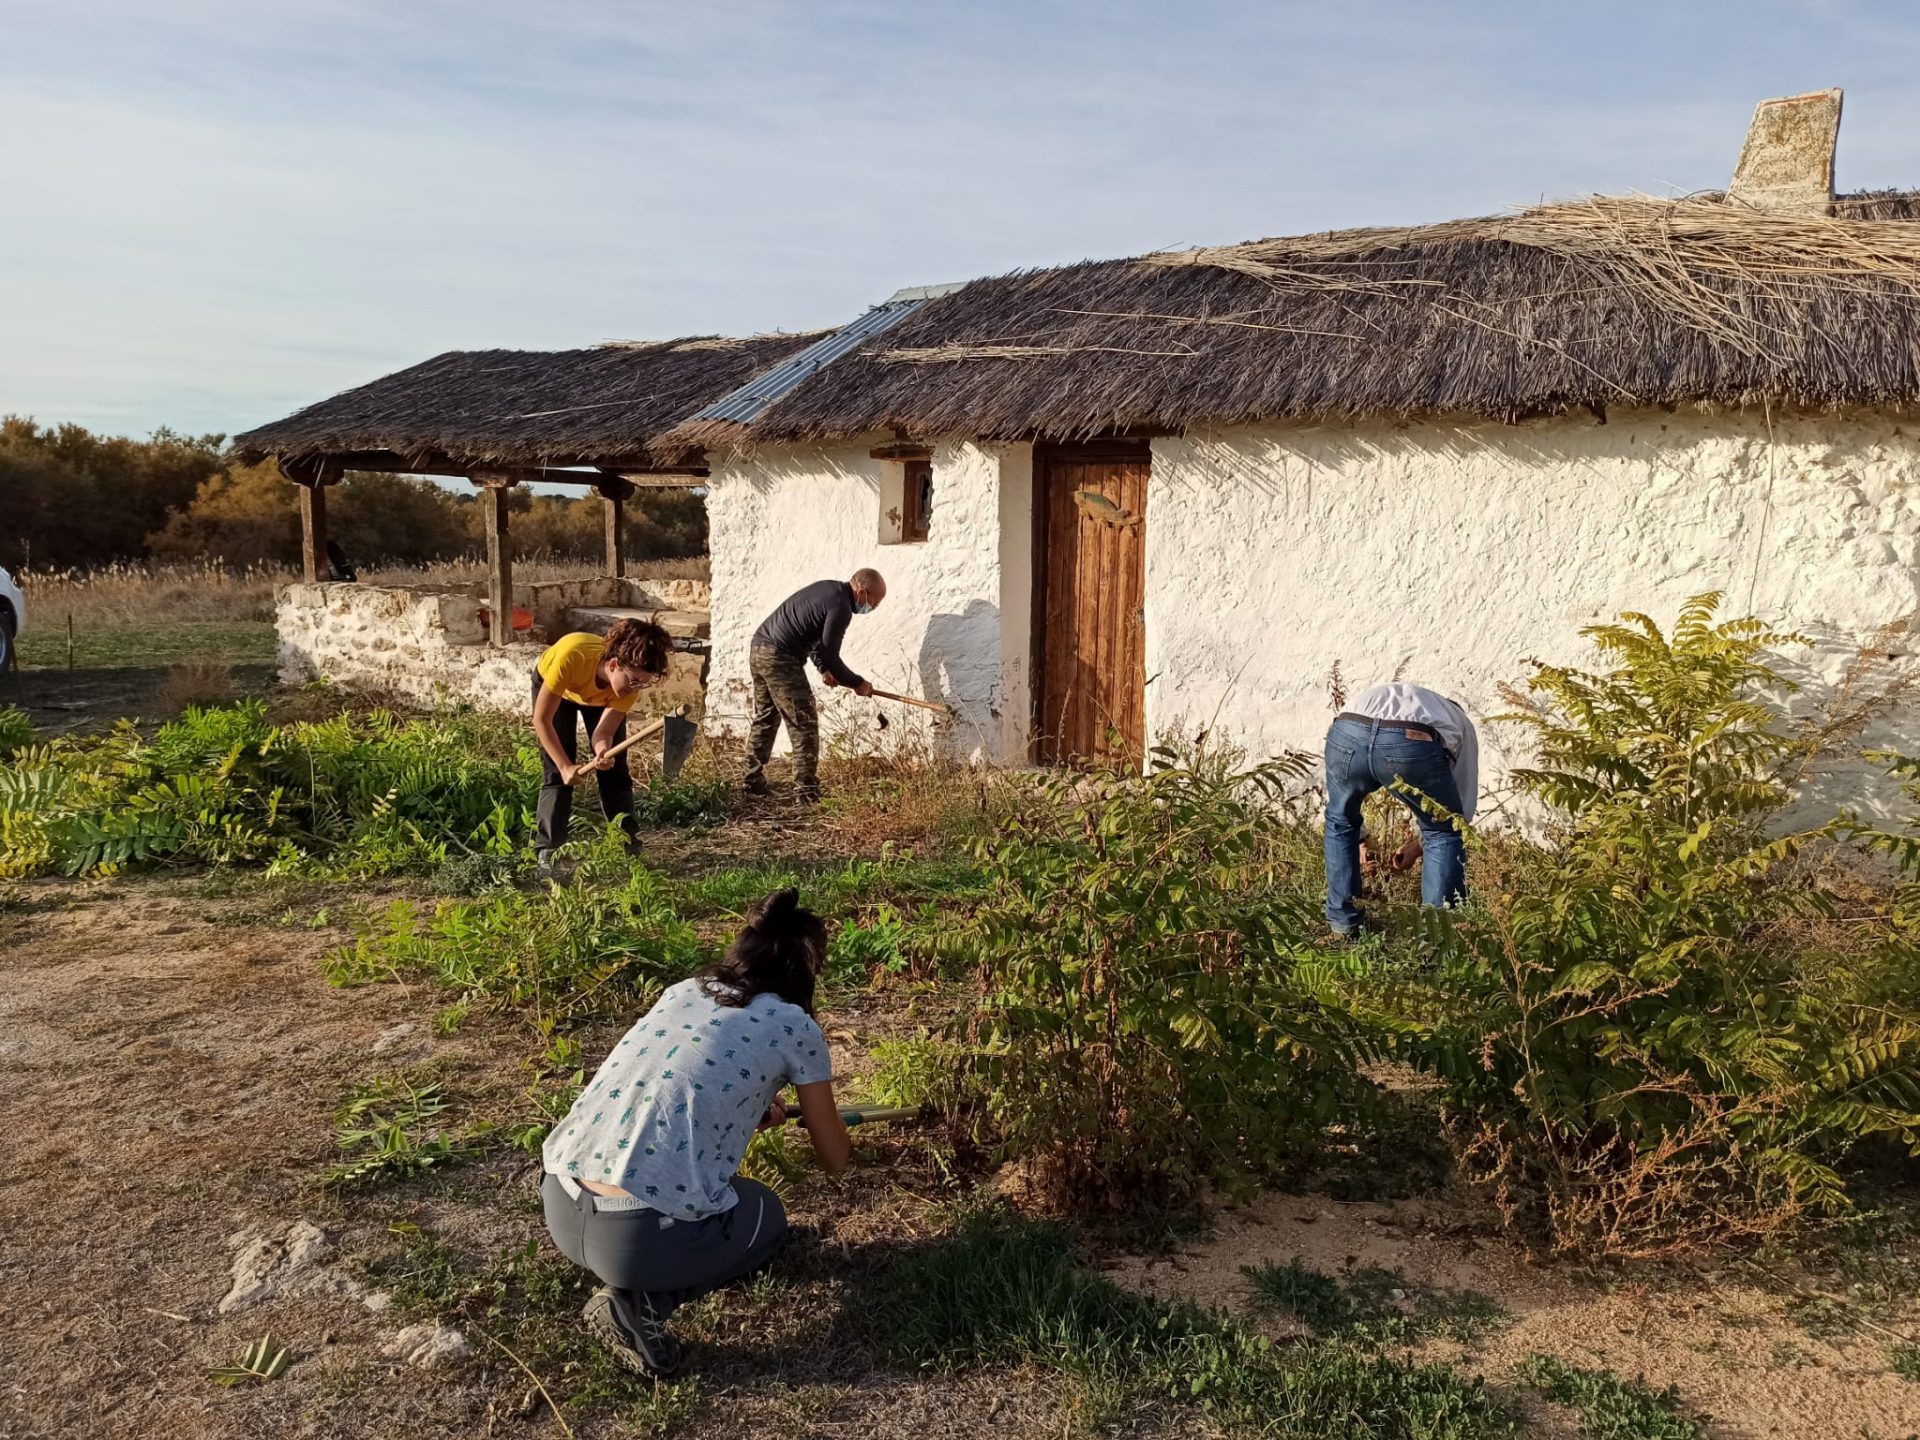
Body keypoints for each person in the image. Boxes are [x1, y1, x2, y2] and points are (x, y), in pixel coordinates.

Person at [540, 887, 852, 1377]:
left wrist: (745, 1112)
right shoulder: (795, 1026)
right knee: (765, 1215)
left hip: (560, 1200)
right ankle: (640, 1304)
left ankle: (635, 1278)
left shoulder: (685, 991)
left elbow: (675, 1087)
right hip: (635, 1238)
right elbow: (833, 1156)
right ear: (807, 967)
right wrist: (823, 1123)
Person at [1323, 681, 1479, 939]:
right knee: (1444, 832)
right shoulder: (1461, 723)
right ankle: (1437, 938)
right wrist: (1421, 842)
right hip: (1409, 740)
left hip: (1349, 728)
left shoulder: (1394, 697)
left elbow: (1337, 794)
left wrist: (1360, 839)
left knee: (1340, 820)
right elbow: (1456, 816)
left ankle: (1343, 927)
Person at [531, 618, 673, 873]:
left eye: (643, 683)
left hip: (598, 699)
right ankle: (548, 853)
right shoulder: (571, 656)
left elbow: (603, 732)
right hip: (557, 691)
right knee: (556, 773)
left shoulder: (628, 688)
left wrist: (602, 751)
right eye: (633, 681)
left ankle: (628, 844)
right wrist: (565, 766)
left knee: (614, 770)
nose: (636, 688)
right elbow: (541, 720)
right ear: (615, 664)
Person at [743, 569, 886, 803]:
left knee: (767, 717)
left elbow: (815, 640)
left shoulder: (830, 590)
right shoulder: (841, 608)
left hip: (759, 648)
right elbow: (831, 654)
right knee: (803, 721)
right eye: (874, 602)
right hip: (780, 656)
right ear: (861, 592)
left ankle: (751, 781)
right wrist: (857, 683)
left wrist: (823, 668)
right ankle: (805, 790)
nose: (873, 608)